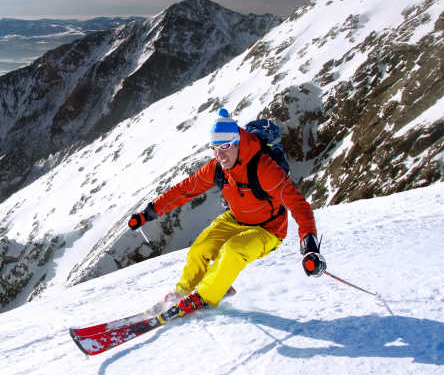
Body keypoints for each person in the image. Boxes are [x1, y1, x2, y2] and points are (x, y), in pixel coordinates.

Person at [128, 108, 326, 315]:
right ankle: (182, 292)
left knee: (233, 249)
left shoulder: (264, 169)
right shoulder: (217, 168)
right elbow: (185, 189)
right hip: (236, 219)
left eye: (225, 146)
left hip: (268, 229)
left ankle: (204, 296)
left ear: (238, 142)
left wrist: (310, 246)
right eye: (215, 148)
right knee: (200, 248)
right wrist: (148, 213)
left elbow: (298, 205)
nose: (220, 155)